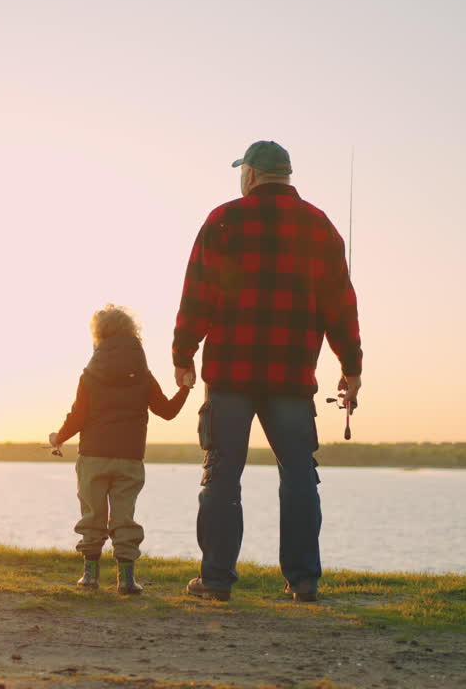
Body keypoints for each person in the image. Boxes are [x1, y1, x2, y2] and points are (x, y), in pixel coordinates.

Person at [173, 140, 363, 602]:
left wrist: (183, 354)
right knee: (299, 475)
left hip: (230, 373)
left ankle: (216, 579)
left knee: (221, 473)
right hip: (291, 376)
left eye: (243, 171)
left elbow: (197, 292)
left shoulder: (223, 219)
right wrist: (351, 366)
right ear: (287, 175)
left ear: (252, 174)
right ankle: (303, 580)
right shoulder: (320, 227)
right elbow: (341, 304)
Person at [49, 304, 191, 594]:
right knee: (124, 517)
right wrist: (185, 388)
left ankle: (89, 576)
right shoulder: (142, 374)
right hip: (130, 458)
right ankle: (126, 580)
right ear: (131, 333)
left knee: (92, 514)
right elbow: (166, 412)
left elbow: (78, 416)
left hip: (93, 457)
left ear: (98, 335)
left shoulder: (89, 375)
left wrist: (58, 437)